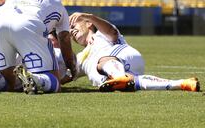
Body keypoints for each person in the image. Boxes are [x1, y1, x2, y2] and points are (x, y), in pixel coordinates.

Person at [61, 12, 200, 92]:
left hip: (123, 56)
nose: (71, 30)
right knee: (133, 82)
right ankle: (182, 83)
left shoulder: (101, 35)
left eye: (73, 25)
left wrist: (89, 16)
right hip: (113, 78)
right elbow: (65, 76)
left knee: (103, 62)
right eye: (69, 29)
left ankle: (119, 77)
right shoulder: (79, 58)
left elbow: (112, 32)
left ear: (89, 24)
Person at [0, 0, 77, 94]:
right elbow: (64, 38)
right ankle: (35, 79)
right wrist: (71, 66)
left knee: (8, 82)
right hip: (28, 23)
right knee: (55, 82)